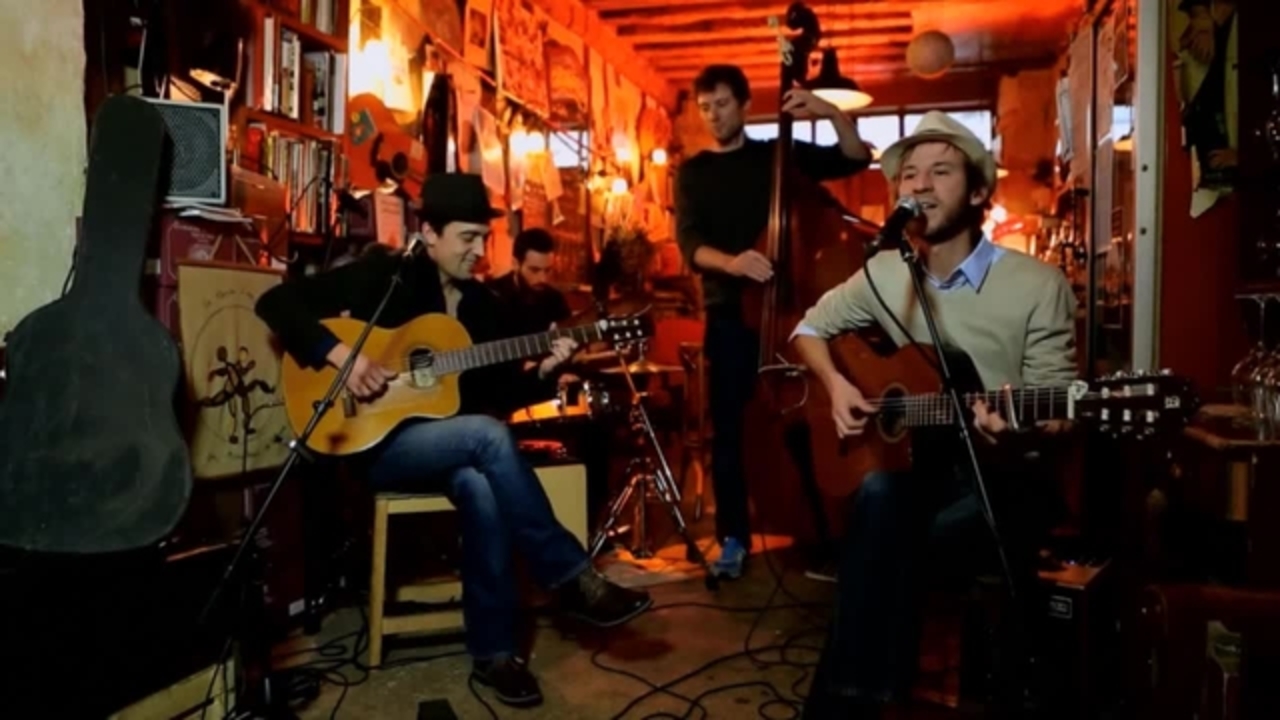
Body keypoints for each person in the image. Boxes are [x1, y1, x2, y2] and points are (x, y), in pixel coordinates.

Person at [255, 173, 651, 709]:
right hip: (374, 446)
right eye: (468, 237)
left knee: (482, 484)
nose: (479, 251)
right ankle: (571, 577)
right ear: (430, 234)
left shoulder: (484, 305)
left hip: (451, 446)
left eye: (483, 238)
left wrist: (545, 370)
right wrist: (344, 360)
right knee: (486, 438)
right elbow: (276, 303)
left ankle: (495, 654)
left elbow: (499, 394)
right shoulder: (385, 276)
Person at [789, 112, 1078, 719]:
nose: (919, 184)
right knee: (880, 502)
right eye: (909, 174)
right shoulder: (884, 272)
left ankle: (847, 705)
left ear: (977, 192)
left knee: (883, 532)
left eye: (941, 171)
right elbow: (808, 329)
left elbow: (1060, 411)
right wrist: (836, 386)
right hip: (918, 471)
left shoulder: (1038, 284)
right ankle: (868, 699)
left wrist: (1014, 431)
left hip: (1003, 475)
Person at [675, 64, 872, 579]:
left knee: (812, 416)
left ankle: (826, 527)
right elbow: (691, 244)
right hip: (729, 315)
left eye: (722, 104)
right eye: (705, 108)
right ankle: (734, 539)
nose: (714, 115)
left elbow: (856, 156)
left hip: (791, 312)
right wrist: (734, 262)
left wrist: (827, 110)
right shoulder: (693, 173)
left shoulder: (777, 155)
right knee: (730, 431)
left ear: (744, 105)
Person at [488, 227, 572, 335]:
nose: (543, 279)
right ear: (515, 264)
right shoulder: (490, 296)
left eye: (547, 270)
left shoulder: (555, 300)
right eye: (534, 270)